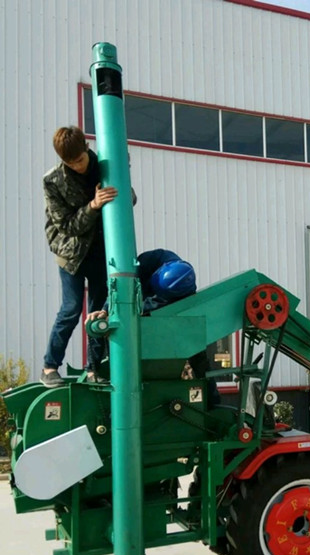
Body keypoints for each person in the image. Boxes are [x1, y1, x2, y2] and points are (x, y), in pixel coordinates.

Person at [41, 126, 136, 387]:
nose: (77, 167)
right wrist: (94, 205)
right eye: (70, 163)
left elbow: (130, 199)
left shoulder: (106, 165)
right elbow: (67, 226)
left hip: (101, 251)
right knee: (71, 309)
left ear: (86, 148)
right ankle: (49, 366)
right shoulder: (52, 181)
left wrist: (122, 180)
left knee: (98, 312)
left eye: (80, 160)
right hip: (71, 252)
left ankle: (94, 369)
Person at [87, 249, 220, 407]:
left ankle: (213, 404)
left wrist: (135, 313)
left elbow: (153, 306)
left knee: (197, 354)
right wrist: (107, 310)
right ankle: (92, 370)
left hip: (163, 308)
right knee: (99, 322)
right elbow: (120, 288)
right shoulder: (149, 262)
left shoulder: (184, 290)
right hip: (136, 292)